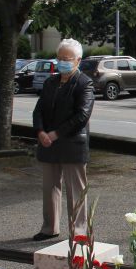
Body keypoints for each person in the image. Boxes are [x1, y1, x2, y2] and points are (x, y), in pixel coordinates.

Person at [31, 39, 95, 242]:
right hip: (48, 143)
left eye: (66, 59)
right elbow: (39, 109)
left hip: (72, 143)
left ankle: (79, 232)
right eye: (59, 58)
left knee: (75, 190)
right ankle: (49, 227)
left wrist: (56, 134)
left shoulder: (84, 83)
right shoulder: (51, 81)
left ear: (78, 60)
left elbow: (82, 115)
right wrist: (40, 131)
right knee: (50, 188)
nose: (62, 63)